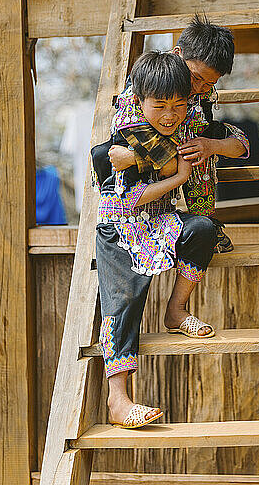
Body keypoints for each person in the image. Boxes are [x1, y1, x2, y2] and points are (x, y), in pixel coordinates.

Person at [93, 51, 221, 429]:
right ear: (140, 99)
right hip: (120, 225)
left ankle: (176, 310)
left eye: (179, 105)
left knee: (202, 229)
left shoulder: (186, 125)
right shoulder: (125, 140)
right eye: (160, 106)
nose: (170, 115)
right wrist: (178, 179)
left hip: (160, 221)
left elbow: (234, 140)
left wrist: (217, 147)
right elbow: (128, 199)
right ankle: (118, 401)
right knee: (124, 300)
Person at [105, 14, 250, 252]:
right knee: (190, 151)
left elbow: (240, 142)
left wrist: (211, 146)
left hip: (179, 164)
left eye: (209, 84)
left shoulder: (203, 97)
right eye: (196, 78)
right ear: (177, 53)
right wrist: (136, 158)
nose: (199, 89)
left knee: (199, 148)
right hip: (134, 201)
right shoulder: (146, 85)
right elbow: (159, 159)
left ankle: (206, 222)